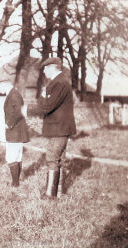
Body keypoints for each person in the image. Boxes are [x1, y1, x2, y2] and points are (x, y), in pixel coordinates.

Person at [37, 57, 76, 198]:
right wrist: (43, 97)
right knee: (59, 159)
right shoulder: (58, 82)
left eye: (46, 68)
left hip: (59, 129)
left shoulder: (59, 83)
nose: (44, 72)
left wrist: (40, 99)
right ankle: (59, 192)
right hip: (60, 128)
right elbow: (46, 104)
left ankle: (50, 194)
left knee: (52, 158)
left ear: (53, 67)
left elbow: (47, 106)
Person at [0, 81, 29, 187]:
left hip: (15, 130)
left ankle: (15, 183)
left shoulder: (13, 95)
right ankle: (16, 182)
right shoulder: (13, 93)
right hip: (17, 130)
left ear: (6, 84)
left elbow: (19, 111)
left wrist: (9, 124)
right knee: (17, 156)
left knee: (11, 157)